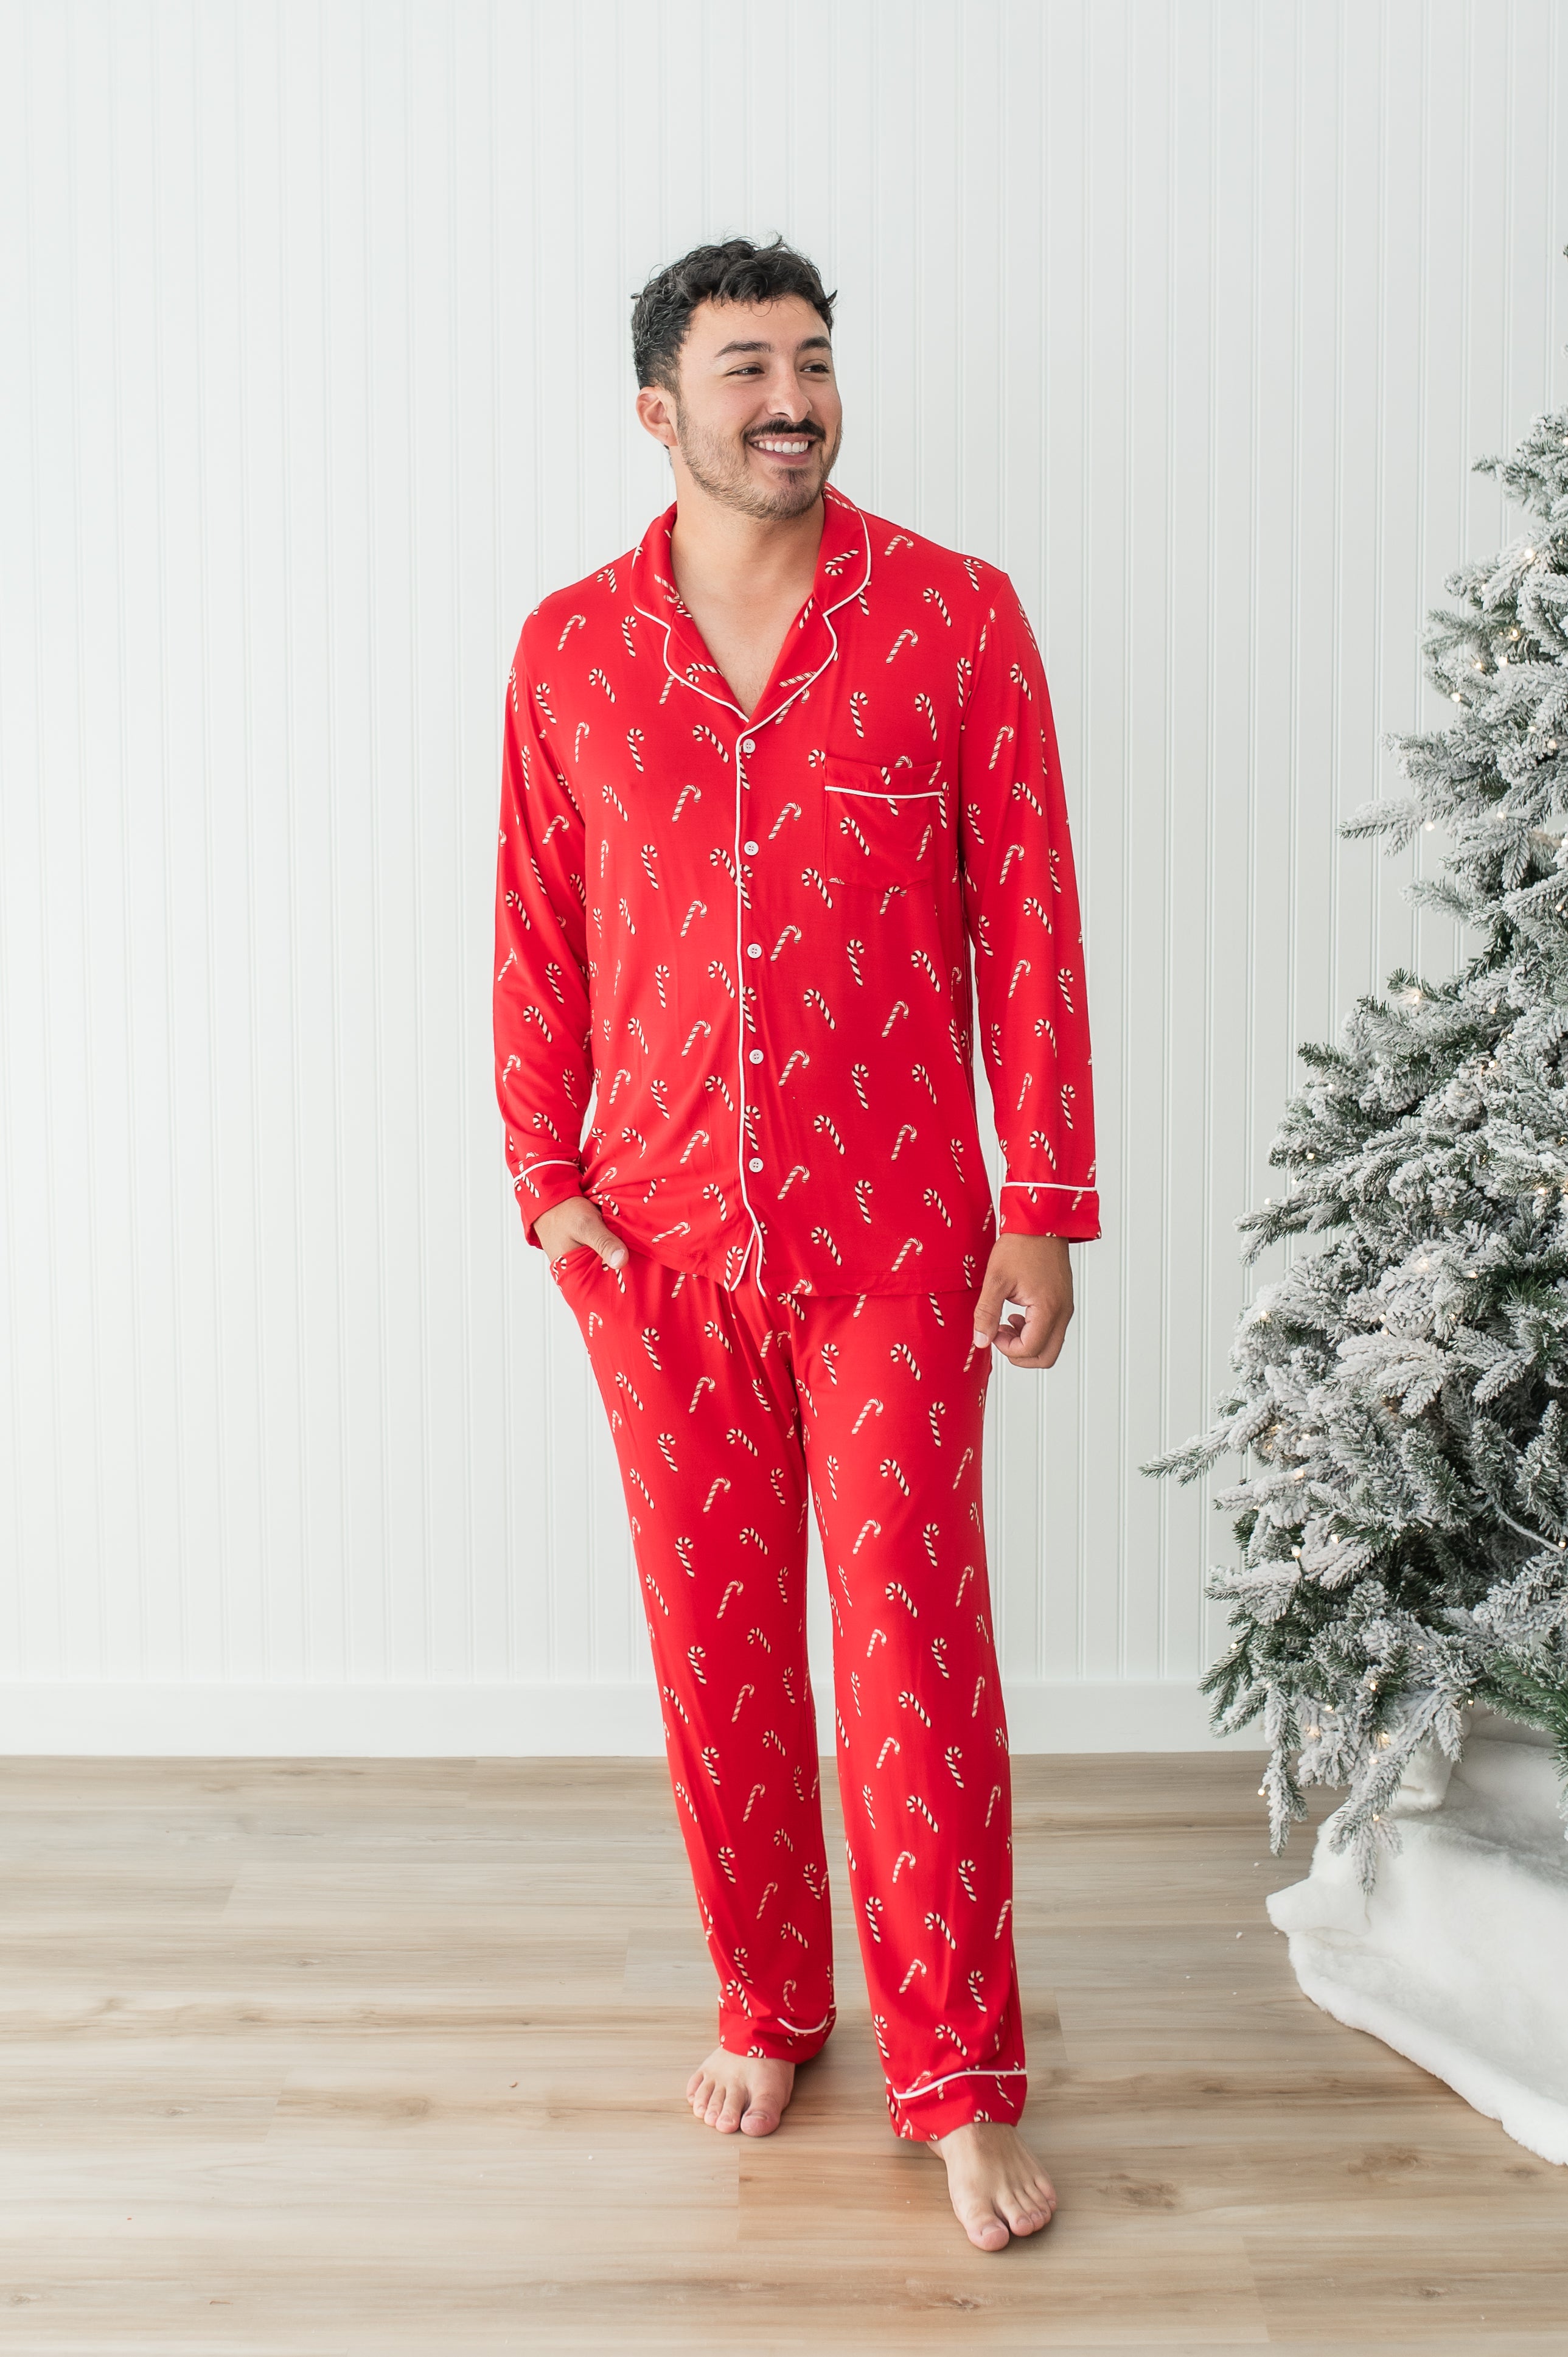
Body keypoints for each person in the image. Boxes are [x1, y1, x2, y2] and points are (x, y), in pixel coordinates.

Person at [493, 236, 1098, 2253]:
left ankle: (960, 2079)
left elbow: (1029, 923)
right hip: (653, 1241)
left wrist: (1043, 1202)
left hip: (902, 1240)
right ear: (656, 409)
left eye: (813, 361)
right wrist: (550, 1189)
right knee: (714, 1647)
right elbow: (535, 928)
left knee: (911, 1649)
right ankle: (769, 1999)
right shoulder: (570, 650)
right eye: (745, 365)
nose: (790, 399)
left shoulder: (954, 616)